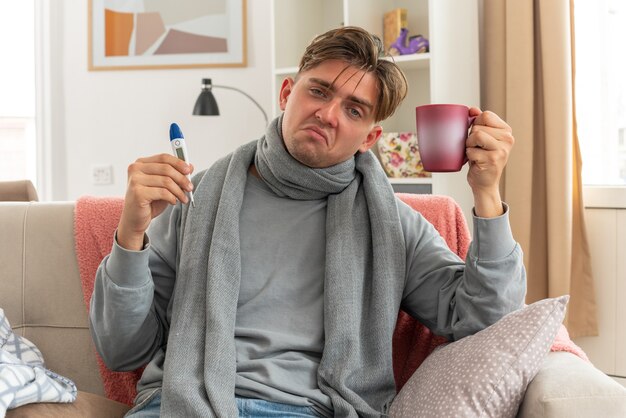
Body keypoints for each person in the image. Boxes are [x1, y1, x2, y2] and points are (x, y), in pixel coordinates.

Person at [89, 26, 526, 418]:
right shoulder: (196, 198)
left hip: (307, 410)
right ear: (286, 94)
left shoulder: (391, 225)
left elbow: (485, 318)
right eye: (319, 91)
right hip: (181, 402)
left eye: (354, 110)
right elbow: (123, 349)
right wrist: (131, 234)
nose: (329, 114)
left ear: (370, 138)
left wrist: (487, 192)